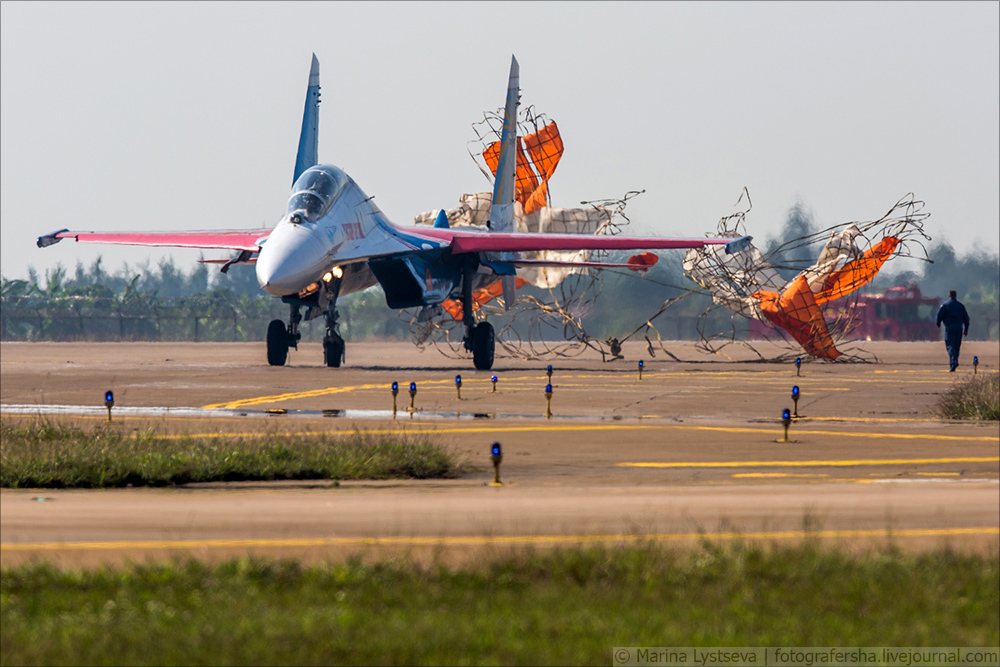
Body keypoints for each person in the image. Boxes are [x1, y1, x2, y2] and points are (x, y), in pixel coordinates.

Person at [936, 290, 970, 372]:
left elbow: (939, 315)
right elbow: (966, 318)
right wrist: (966, 330)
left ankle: (953, 362)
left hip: (950, 327)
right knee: (957, 346)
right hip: (959, 327)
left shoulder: (945, 305)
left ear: (949, 296)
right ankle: (953, 364)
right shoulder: (960, 306)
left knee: (950, 345)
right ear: (955, 295)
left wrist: (938, 323)